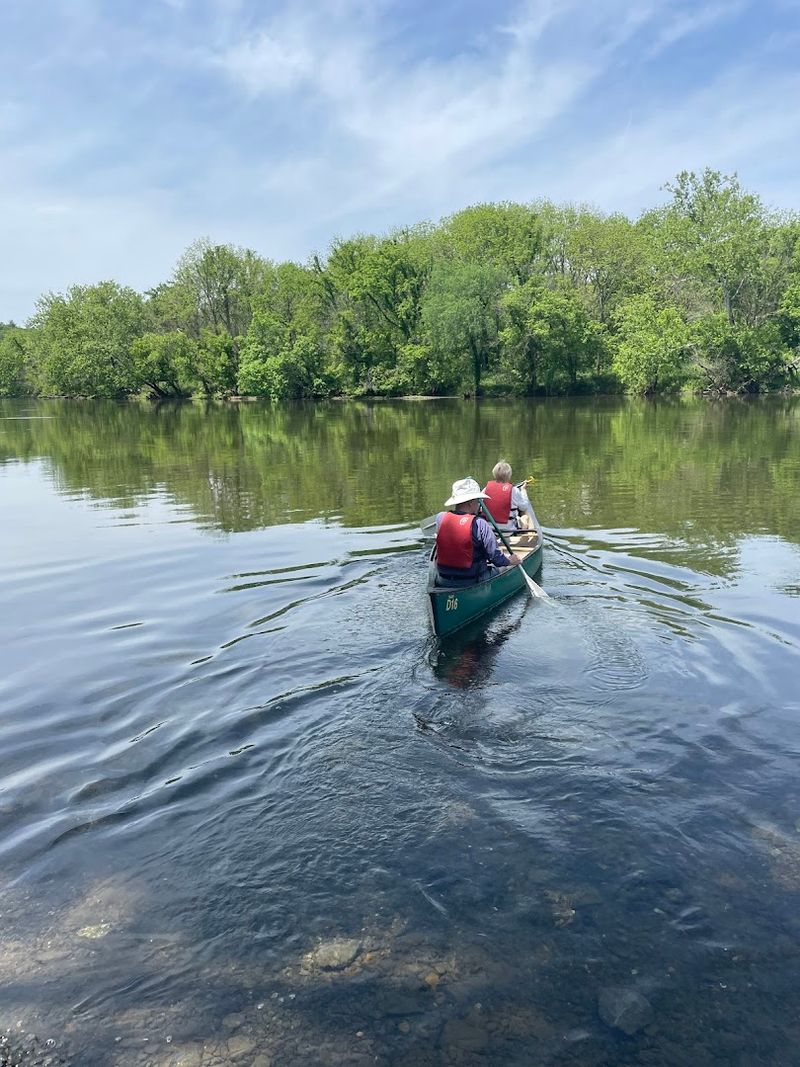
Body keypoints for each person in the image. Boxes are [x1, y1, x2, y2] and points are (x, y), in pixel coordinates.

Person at [435, 477, 521, 586]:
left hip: (443, 579)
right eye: (478, 500)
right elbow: (497, 559)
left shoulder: (440, 518)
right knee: (503, 568)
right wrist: (510, 561)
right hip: (472, 580)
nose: (480, 504)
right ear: (471, 502)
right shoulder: (480, 524)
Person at [483, 460, 536, 532]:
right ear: (509, 476)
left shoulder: (486, 489)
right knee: (525, 517)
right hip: (508, 531)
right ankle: (523, 531)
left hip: (489, 531)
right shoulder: (514, 491)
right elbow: (524, 507)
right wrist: (523, 490)